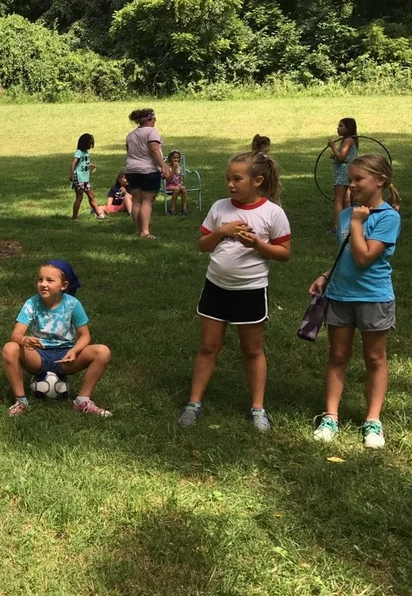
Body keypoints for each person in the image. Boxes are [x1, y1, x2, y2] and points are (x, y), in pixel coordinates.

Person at [178, 152, 291, 432]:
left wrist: (257, 245)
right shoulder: (220, 208)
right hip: (215, 287)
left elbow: (284, 253)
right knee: (208, 347)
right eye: (228, 178)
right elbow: (203, 245)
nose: (230, 184)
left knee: (252, 350)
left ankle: (258, 408)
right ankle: (193, 403)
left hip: (250, 290)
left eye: (237, 179)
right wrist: (222, 230)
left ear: (258, 180)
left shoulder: (272, 213)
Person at [309, 154, 401, 449]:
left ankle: (373, 420)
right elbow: (347, 255)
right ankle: (330, 416)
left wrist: (359, 222)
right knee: (337, 356)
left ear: (380, 181)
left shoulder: (388, 217)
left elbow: (363, 258)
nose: (351, 184)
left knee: (375, 358)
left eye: (358, 179)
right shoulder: (348, 214)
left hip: (374, 297)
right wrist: (326, 274)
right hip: (340, 294)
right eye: (350, 178)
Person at [1, 260, 112, 418]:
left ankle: (82, 401)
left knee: (102, 352)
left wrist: (75, 351)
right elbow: (15, 335)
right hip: (37, 355)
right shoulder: (32, 303)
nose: (43, 284)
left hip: (65, 357)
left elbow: (85, 335)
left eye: (50, 280)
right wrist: (25, 340)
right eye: (40, 279)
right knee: (9, 348)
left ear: (64, 285)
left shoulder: (72, 304)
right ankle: (21, 401)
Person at [123, 107, 170, 238]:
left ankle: (138, 230)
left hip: (131, 170)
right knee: (147, 202)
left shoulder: (131, 135)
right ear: (150, 119)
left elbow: (129, 152)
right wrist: (163, 166)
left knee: (136, 201)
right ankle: (145, 231)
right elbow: (154, 149)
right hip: (148, 170)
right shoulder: (152, 132)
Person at [327, 118, 358, 232]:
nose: (338, 128)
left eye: (341, 126)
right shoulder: (350, 140)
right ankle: (347, 225)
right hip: (349, 171)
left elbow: (341, 157)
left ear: (348, 128)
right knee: (346, 199)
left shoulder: (348, 141)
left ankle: (337, 227)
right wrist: (334, 155)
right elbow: (342, 156)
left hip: (343, 173)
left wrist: (332, 146)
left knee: (338, 200)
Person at [71, 133, 105, 220]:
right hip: (79, 178)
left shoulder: (86, 153)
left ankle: (99, 214)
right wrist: (72, 174)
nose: (90, 145)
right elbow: (74, 163)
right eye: (89, 144)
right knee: (79, 197)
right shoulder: (78, 152)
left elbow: (83, 162)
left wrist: (90, 164)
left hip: (85, 179)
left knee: (91, 196)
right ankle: (74, 217)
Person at [165, 150, 187, 215]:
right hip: (169, 185)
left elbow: (181, 180)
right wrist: (173, 170)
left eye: (177, 158)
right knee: (177, 189)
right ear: (170, 159)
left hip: (177, 185)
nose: (176, 159)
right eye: (174, 158)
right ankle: (172, 209)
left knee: (183, 188)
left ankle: (184, 208)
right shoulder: (167, 167)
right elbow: (168, 179)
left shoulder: (179, 168)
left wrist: (180, 184)